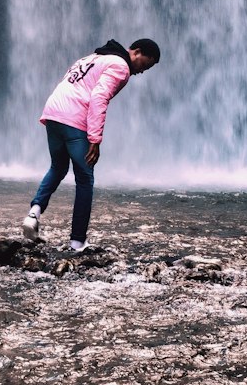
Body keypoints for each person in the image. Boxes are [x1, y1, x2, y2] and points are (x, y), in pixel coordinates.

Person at [21, 38, 161, 250]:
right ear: (137, 52)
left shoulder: (92, 58)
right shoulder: (121, 66)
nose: (142, 71)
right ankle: (77, 241)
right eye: (145, 65)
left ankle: (33, 215)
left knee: (57, 168)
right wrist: (95, 139)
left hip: (53, 113)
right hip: (74, 119)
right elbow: (99, 97)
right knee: (85, 179)